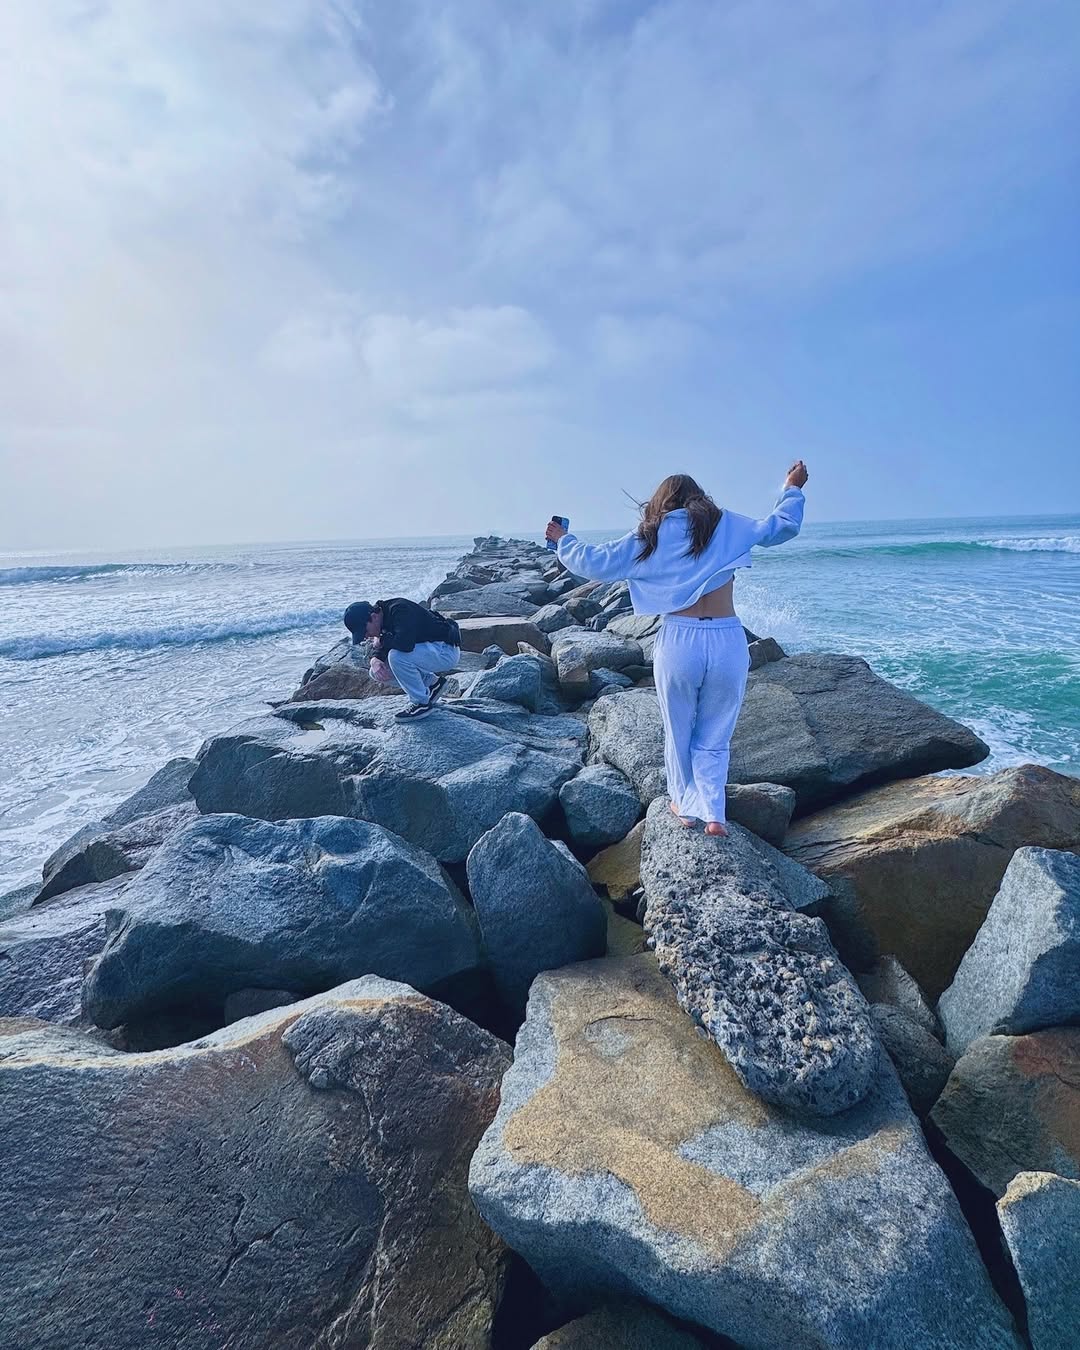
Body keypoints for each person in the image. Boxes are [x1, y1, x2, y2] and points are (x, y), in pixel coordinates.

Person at [546, 461, 808, 837]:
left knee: (678, 729)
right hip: (727, 639)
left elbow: (594, 563)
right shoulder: (725, 524)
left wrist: (563, 540)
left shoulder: (649, 536)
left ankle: (685, 807)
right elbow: (781, 526)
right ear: (699, 497)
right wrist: (792, 487)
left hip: (680, 641)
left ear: (660, 502)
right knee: (715, 734)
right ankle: (714, 814)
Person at [343, 597, 461, 722]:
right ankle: (433, 684)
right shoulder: (384, 616)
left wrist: (381, 640)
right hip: (430, 649)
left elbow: (404, 644)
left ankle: (421, 703)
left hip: (445, 651)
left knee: (396, 657)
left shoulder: (400, 610)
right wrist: (375, 659)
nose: (366, 636)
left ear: (374, 617)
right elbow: (389, 642)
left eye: (365, 631)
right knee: (376, 671)